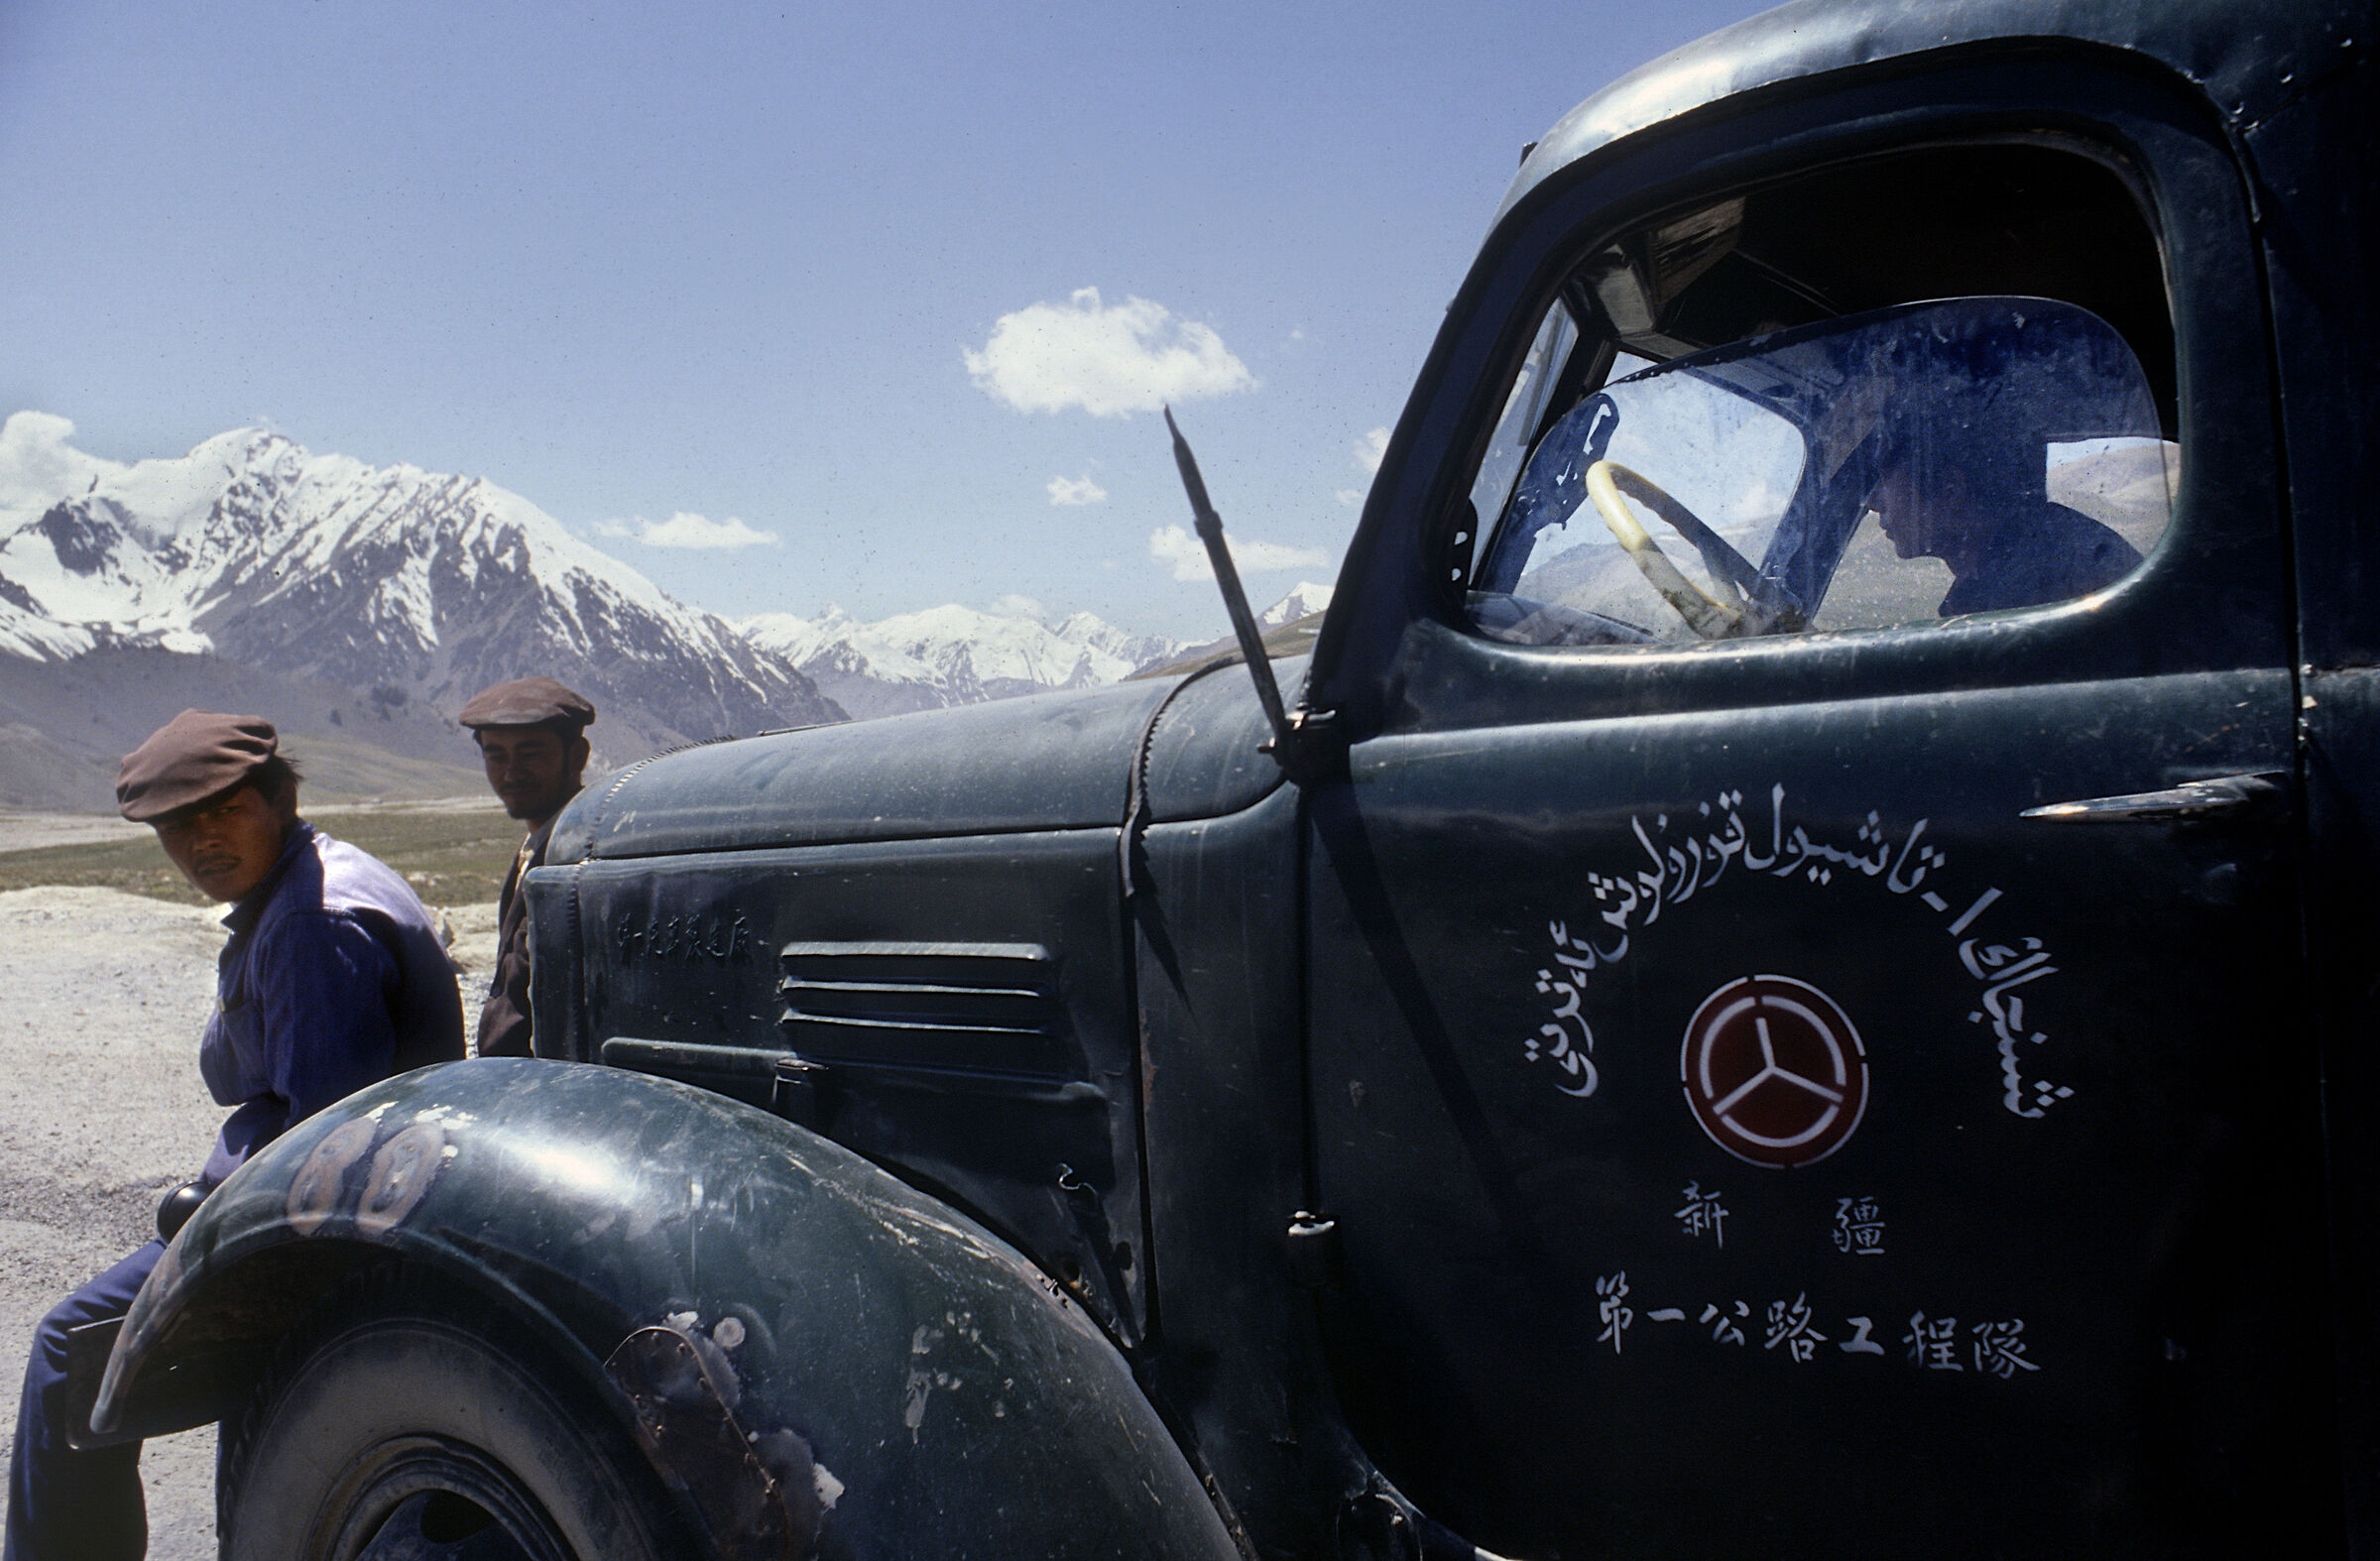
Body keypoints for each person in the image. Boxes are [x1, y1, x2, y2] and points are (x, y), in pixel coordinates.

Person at [5, 710, 464, 1561]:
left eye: (225, 810)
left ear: (279, 799)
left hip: (319, 1220)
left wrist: (219, 1239)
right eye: (179, 826)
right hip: (339, 1190)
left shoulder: (307, 924)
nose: (202, 841)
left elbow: (324, 1148)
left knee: (69, 1348)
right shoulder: (304, 885)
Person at [1861, 420, 2142, 618]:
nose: (1871, 502)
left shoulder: (2038, 584)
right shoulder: (2030, 557)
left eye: (1885, 479)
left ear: (1951, 488)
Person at [457, 676, 594, 1059]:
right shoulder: (534, 849)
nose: (511, 771)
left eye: (530, 753)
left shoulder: (580, 858)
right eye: (496, 755)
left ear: (577, 756)